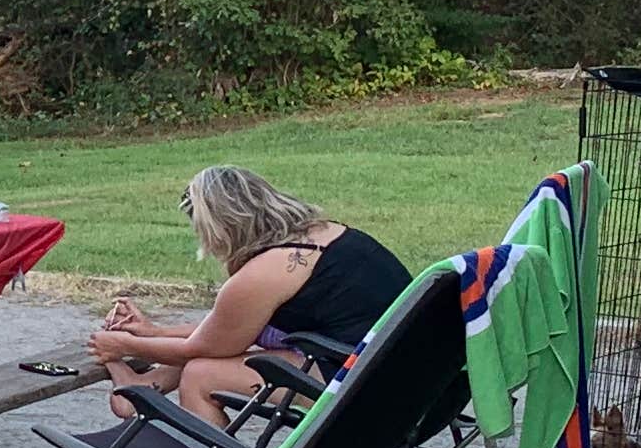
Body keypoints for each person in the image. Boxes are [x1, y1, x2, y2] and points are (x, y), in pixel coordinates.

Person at [92, 165, 412, 423]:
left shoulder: (262, 274)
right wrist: (153, 333)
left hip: (369, 392)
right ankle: (144, 386)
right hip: (410, 376)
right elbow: (229, 330)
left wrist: (120, 345)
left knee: (201, 374)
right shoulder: (323, 233)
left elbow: (202, 348)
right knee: (221, 350)